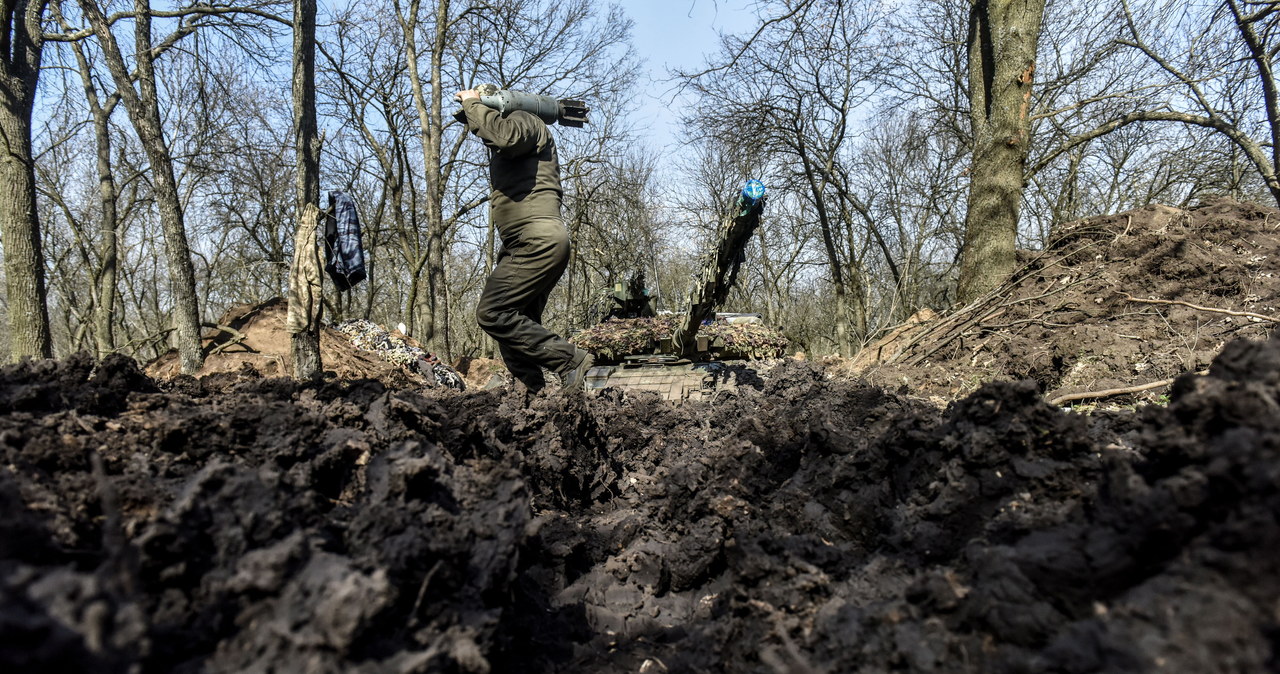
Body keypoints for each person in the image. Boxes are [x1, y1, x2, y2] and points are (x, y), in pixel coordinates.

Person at [454, 88, 594, 394]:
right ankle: (529, 396)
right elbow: (498, 137)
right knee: (515, 327)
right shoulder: (521, 131)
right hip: (526, 241)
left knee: (493, 312)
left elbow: (503, 136)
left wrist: (471, 102)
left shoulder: (526, 120)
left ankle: (570, 361)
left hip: (536, 239)